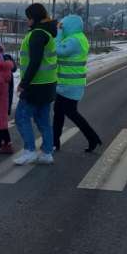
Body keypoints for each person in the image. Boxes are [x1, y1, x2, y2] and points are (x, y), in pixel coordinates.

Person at [13, 3, 58, 166]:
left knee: (21, 117)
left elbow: (35, 61)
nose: (27, 21)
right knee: (43, 120)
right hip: (48, 84)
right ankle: (47, 153)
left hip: (36, 85)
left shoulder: (37, 34)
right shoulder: (48, 32)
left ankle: (29, 150)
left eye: (28, 18)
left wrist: (24, 84)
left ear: (34, 18)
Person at [53, 14, 102, 152]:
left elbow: (59, 51)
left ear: (69, 26)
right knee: (59, 112)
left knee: (70, 112)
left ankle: (92, 137)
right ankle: (55, 141)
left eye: (63, 26)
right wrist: (61, 33)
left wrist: (58, 33)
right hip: (67, 83)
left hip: (70, 84)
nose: (61, 28)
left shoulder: (74, 40)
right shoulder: (77, 37)